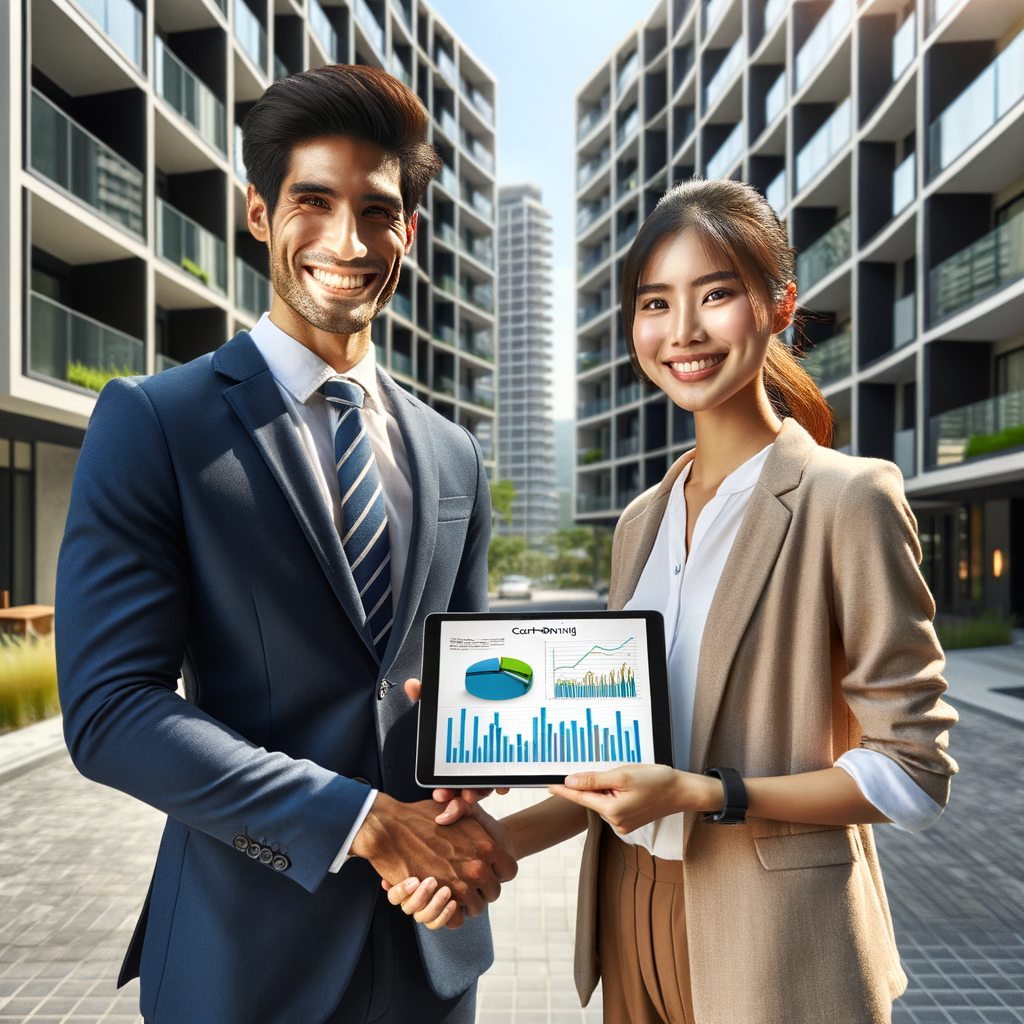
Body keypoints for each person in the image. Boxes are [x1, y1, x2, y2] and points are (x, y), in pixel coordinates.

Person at [393, 178, 958, 1024]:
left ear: (778, 306)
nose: (683, 331)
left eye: (716, 294)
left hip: (775, 940)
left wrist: (708, 793)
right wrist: (484, 831)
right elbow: (626, 767)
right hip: (630, 918)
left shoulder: (848, 499)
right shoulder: (640, 523)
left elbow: (913, 771)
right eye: (656, 303)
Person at [55, 65, 516, 1024]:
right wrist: (362, 822)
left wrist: (487, 757)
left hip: (431, 950)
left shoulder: (454, 453)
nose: (348, 242)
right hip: (244, 959)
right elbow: (111, 710)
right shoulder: (156, 422)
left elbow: (464, 681)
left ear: (409, 232)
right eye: (314, 201)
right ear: (260, 213)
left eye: (378, 211)